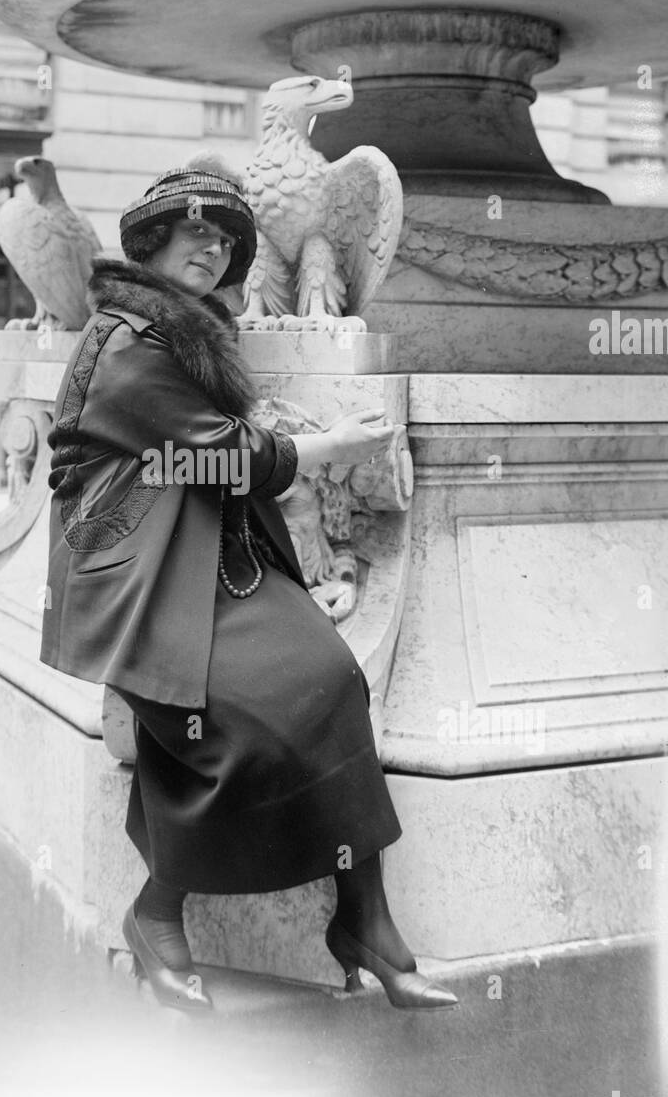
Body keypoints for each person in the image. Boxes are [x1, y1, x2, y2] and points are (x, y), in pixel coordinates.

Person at [39, 163, 457, 1015]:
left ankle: (366, 922)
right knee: (241, 719)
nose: (216, 246)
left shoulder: (177, 333)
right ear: (151, 241)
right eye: (197, 230)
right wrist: (333, 445)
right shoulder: (128, 343)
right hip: (140, 577)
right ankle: (157, 915)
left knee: (332, 679)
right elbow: (227, 456)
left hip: (206, 562)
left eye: (227, 237)